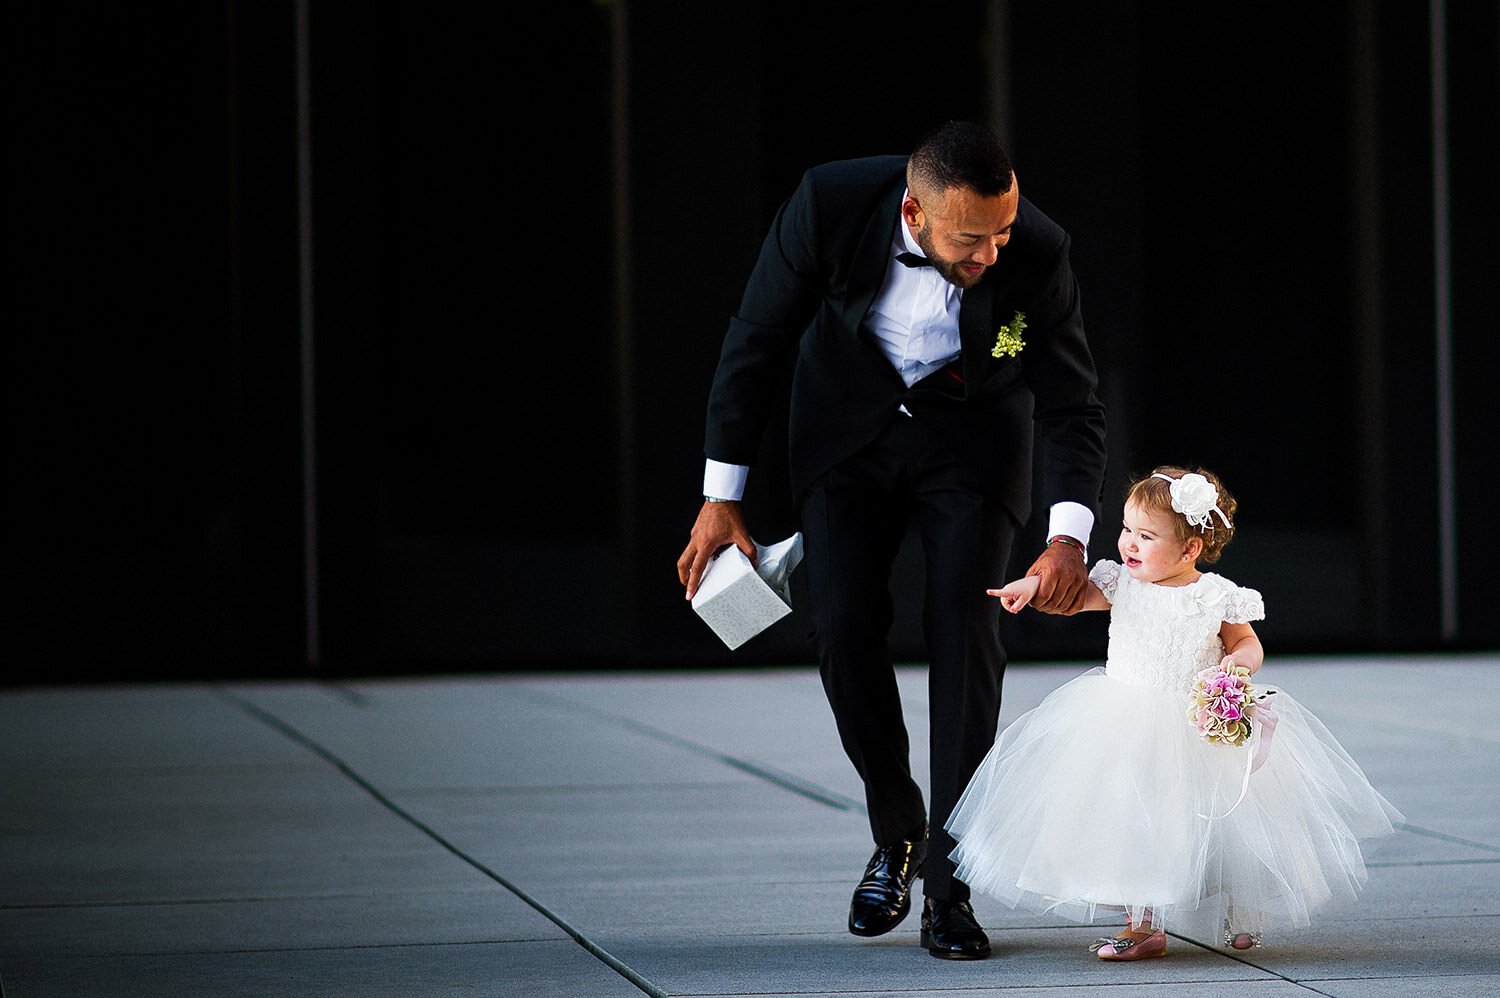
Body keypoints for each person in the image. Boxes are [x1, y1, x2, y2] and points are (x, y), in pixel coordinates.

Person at [676, 120, 1108, 959]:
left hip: (971, 451)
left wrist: (1067, 539)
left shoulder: (1037, 252)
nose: (990, 254)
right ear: (914, 211)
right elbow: (756, 341)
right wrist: (718, 498)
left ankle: (952, 885)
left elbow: (1072, 405)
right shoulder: (828, 205)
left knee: (965, 636)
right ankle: (898, 832)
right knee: (840, 628)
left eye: (1003, 233)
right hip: (845, 438)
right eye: (970, 239)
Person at [948, 467, 1403, 959]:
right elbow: (1073, 598)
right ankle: (1143, 925)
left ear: (1189, 550)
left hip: (1196, 723)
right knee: (1135, 819)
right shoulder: (1122, 583)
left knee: (1223, 819)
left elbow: (1246, 641)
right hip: (1123, 721)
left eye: (1146, 535)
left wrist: (1237, 667)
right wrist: (1033, 586)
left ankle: (1241, 902)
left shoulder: (1214, 595)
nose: (1129, 544)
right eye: (1126, 530)